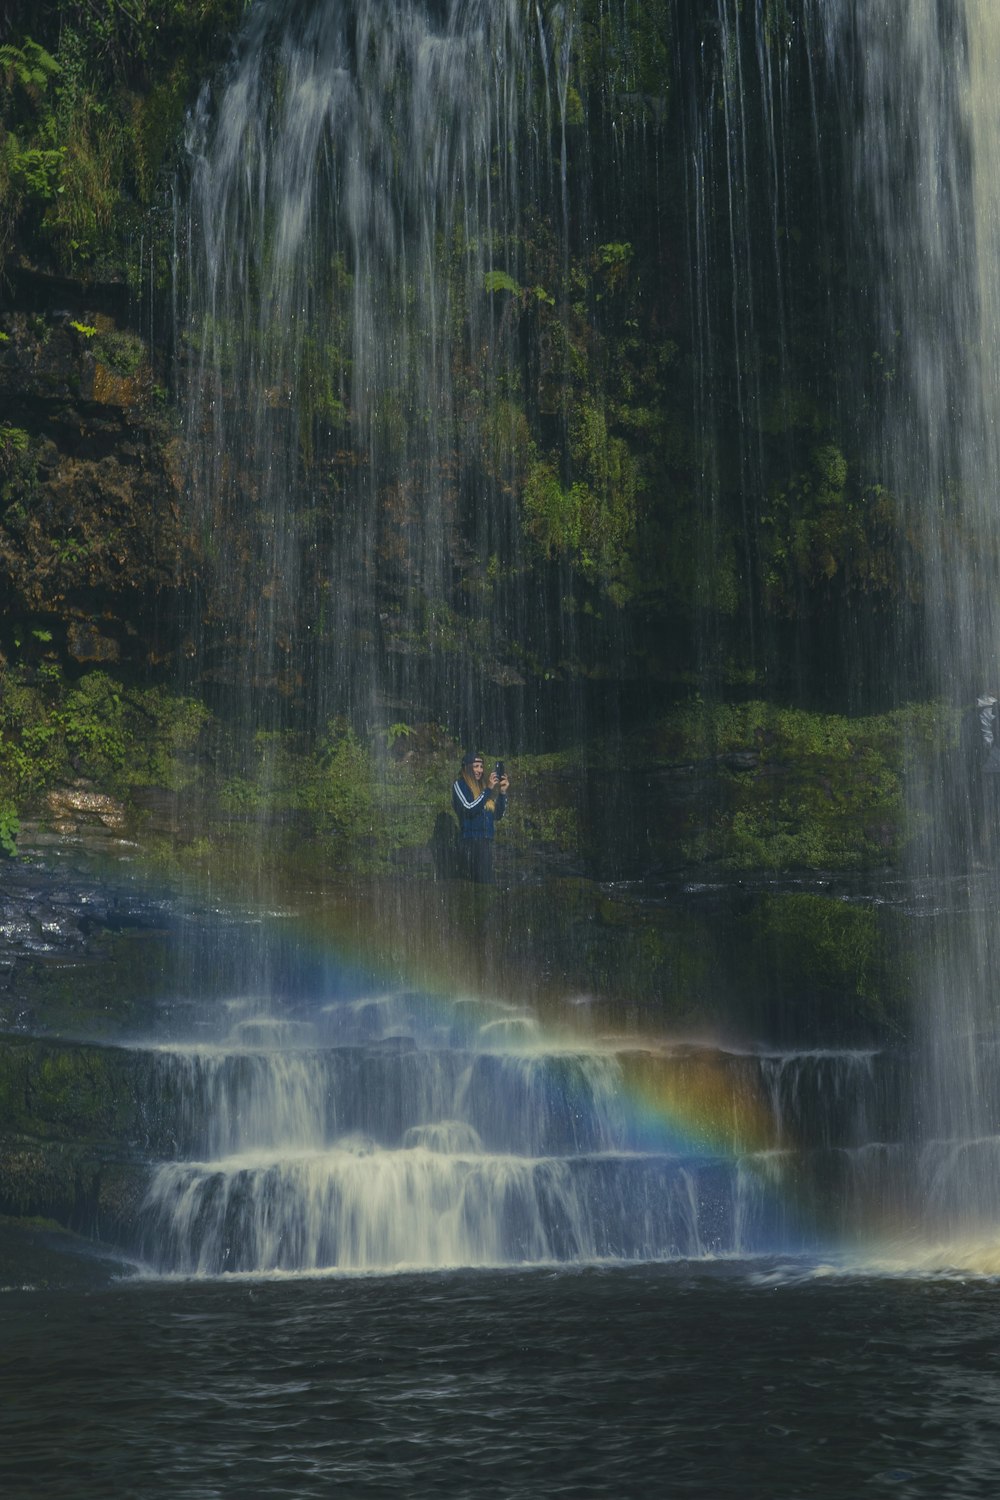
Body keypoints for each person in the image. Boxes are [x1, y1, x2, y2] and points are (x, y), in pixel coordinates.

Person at [452, 750, 510, 884]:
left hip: (486, 840)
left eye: (481, 766)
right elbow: (469, 808)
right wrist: (488, 790)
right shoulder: (460, 785)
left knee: (487, 881)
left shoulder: (482, 789)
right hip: (471, 841)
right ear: (467, 767)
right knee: (481, 882)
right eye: (476, 766)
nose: (479, 770)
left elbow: (497, 815)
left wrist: (502, 793)